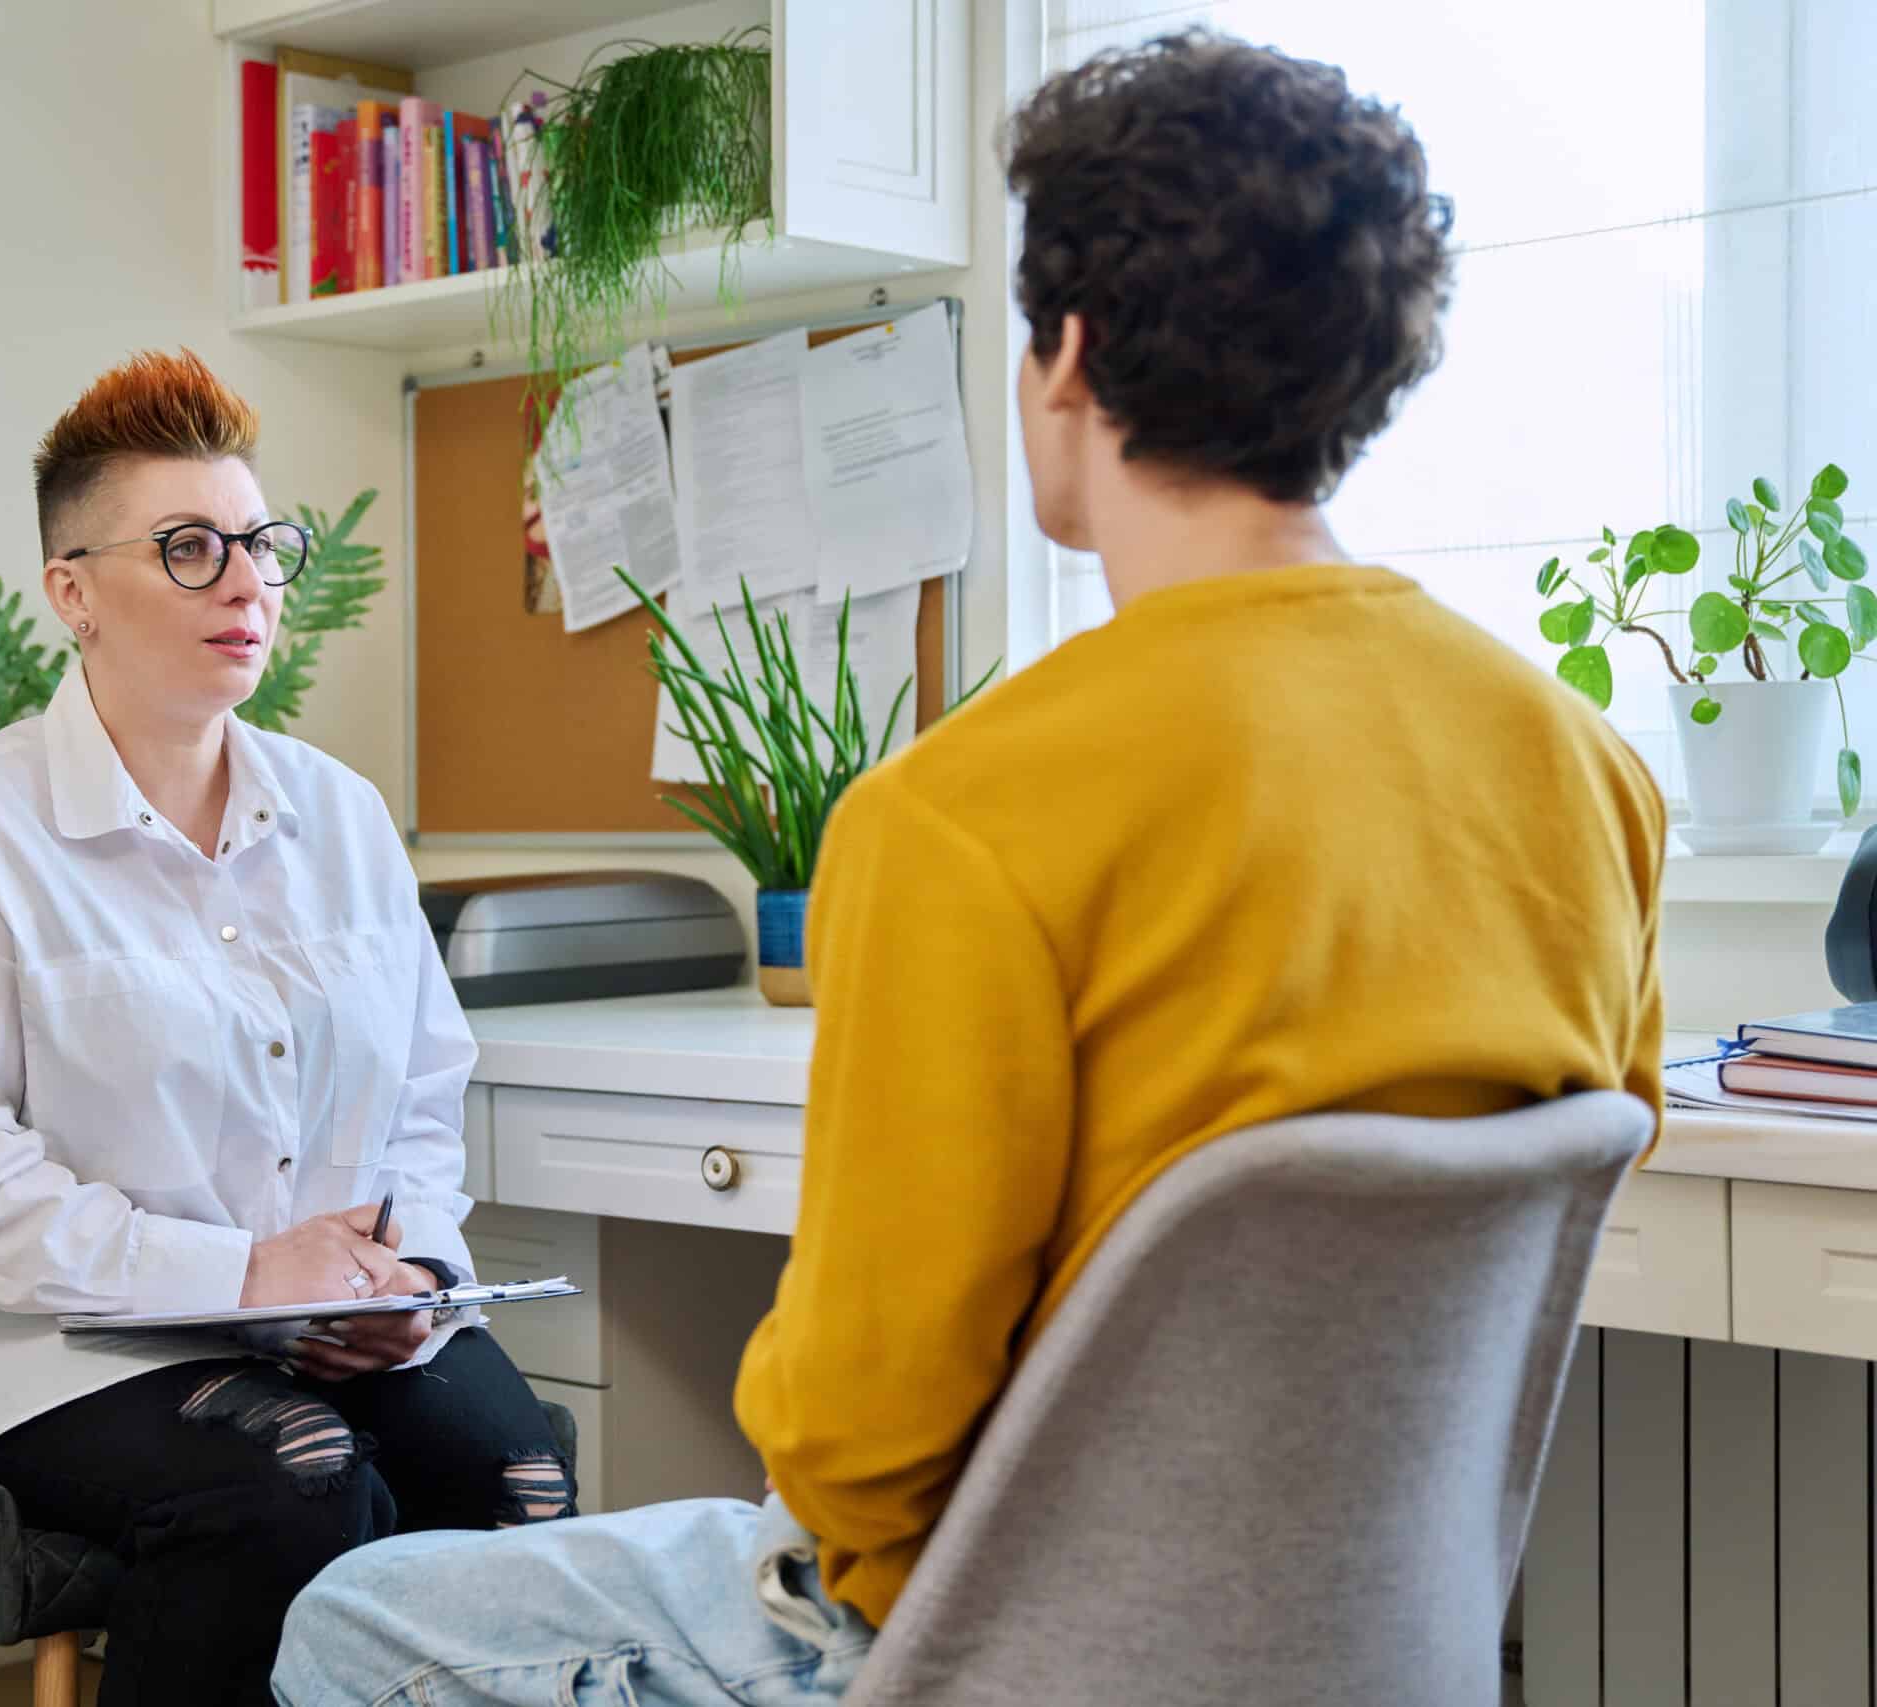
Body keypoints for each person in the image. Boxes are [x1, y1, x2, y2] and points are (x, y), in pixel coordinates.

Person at [272, 28, 1666, 1706]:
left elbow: (862, 1436)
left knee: (348, 1623)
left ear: (1067, 354)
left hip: (979, 1650)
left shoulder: (965, 810)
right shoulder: (1584, 769)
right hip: (1370, 1643)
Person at [0, 349, 570, 1706]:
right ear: (73, 594)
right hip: (20, 1344)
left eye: (261, 542)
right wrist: (242, 1272)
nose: (249, 580)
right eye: (190, 547)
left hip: (301, 1321)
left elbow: (422, 1100)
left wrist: (404, 1277)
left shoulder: (338, 818)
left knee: (516, 1471)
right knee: (289, 1481)